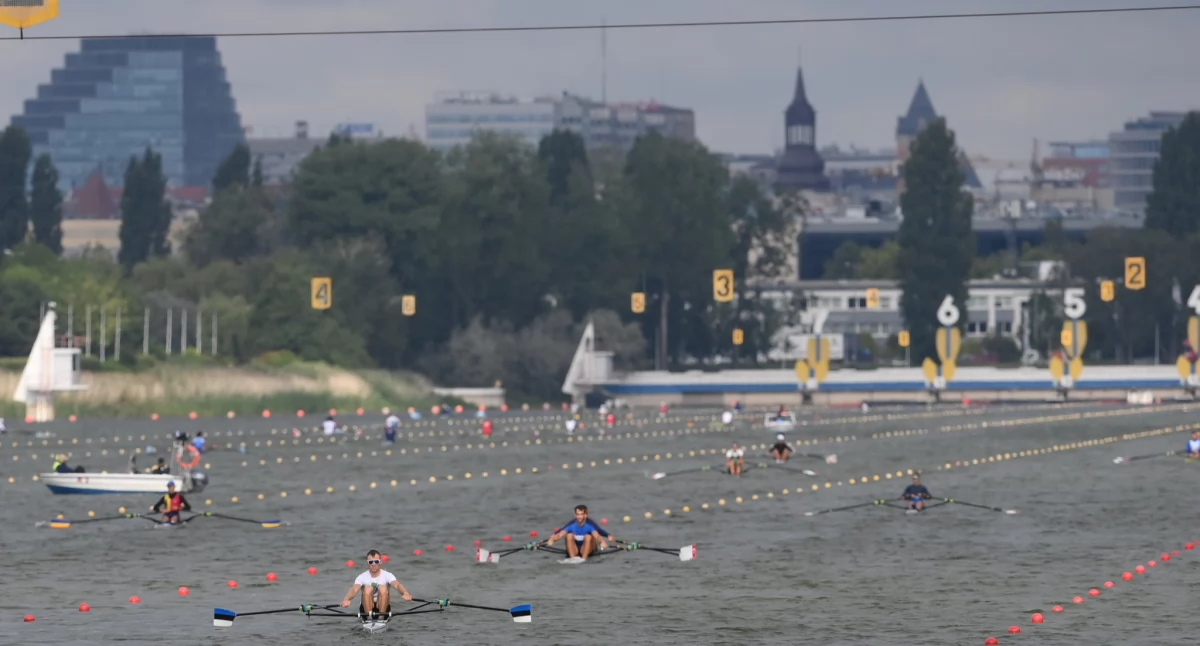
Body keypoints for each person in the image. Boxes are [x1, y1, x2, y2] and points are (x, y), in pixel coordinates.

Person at [340, 550, 412, 618]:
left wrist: (405, 593)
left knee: (382, 588)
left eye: (376, 562)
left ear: (380, 562)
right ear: (367, 563)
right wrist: (346, 599)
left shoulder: (388, 575)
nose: (374, 565)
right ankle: (369, 618)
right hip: (366, 608)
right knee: (368, 588)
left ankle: (381, 617)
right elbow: (354, 589)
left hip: (383, 608)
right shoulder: (361, 577)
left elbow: (397, 585)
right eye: (371, 562)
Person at [546, 505, 614, 561]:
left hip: (586, 549)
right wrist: (552, 539)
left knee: (588, 536)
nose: (579, 517)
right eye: (578, 514)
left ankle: (583, 559)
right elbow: (560, 534)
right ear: (575, 515)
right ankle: (572, 559)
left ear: (585, 515)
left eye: (581, 514)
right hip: (575, 549)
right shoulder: (571, 525)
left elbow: (597, 535)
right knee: (569, 535)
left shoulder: (590, 526)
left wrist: (603, 542)